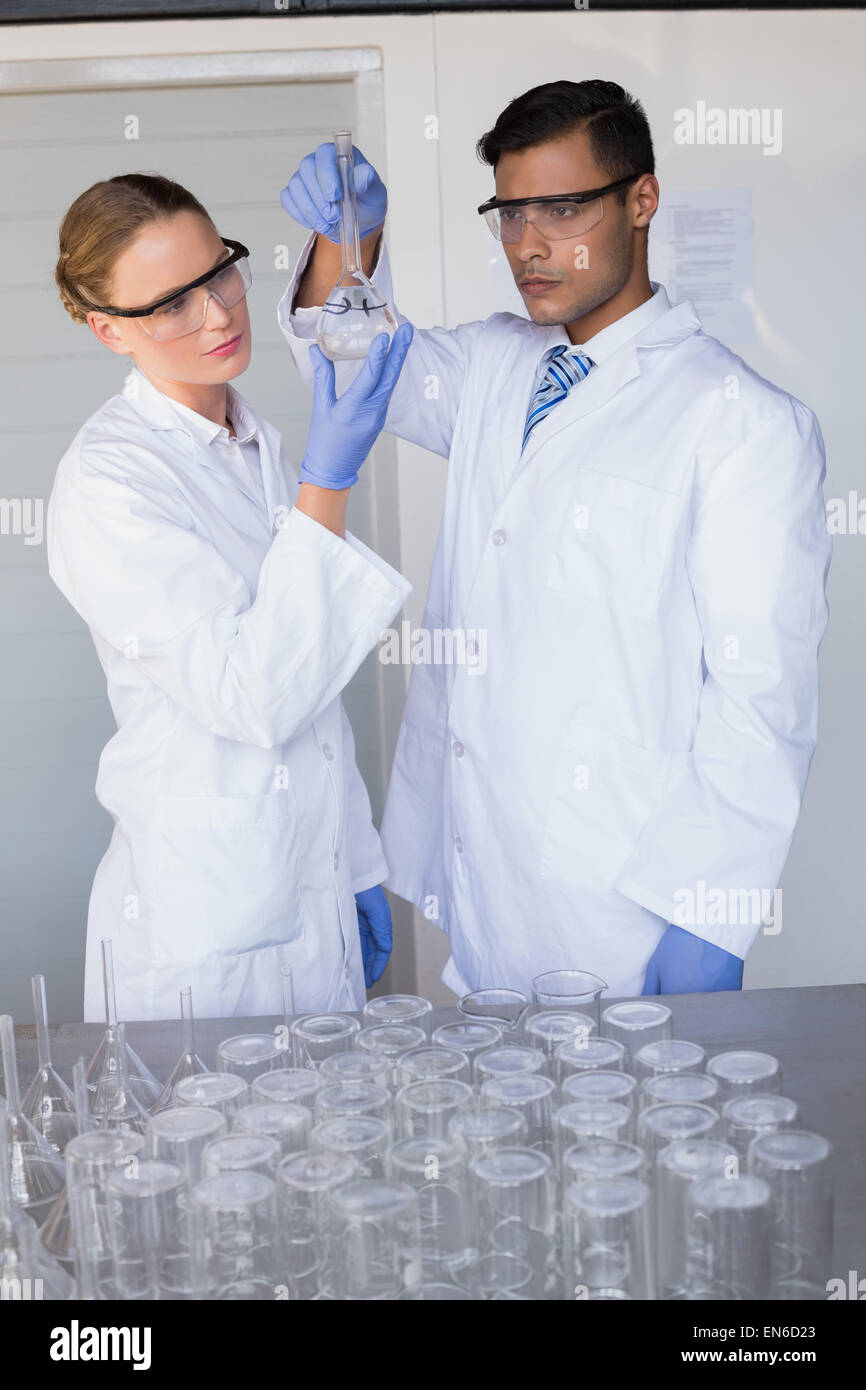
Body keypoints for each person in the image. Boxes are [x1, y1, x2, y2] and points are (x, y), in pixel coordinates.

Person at [278, 80, 831, 999]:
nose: (529, 245)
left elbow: (760, 699)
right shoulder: (500, 362)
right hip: (486, 880)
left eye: (564, 208)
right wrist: (354, 239)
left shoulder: (741, 421)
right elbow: (352, 358)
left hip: (626, 900)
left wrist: (709, 914)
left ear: (640, 201)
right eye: (511, 211)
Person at [47, 172, 414, 1022]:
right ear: (108, 330)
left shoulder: (250, 442)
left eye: (219, 273)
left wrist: (354, 863)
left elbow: (313, 688)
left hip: (305, 883)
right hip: (205, 936)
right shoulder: (109, 481)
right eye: (171, 304)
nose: (217, 314)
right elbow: (255, 695)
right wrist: (329, 482)